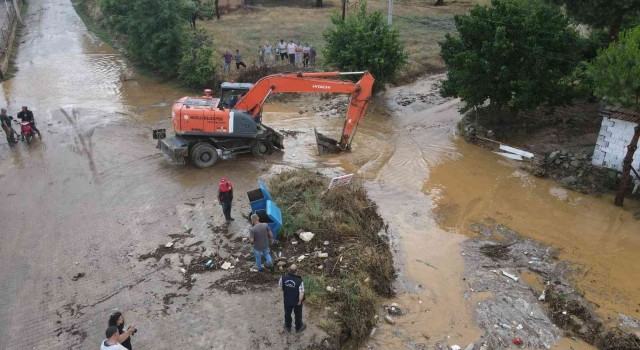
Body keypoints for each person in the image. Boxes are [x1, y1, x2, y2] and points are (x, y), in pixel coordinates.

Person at [278, 264, 306, 333]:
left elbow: (280, 287)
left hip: (287, 300)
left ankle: (287, 326)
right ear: (297, 271)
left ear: (289, 270)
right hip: (296, 302)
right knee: (298, 314)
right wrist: (300, 301)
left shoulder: (283, 277)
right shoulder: (299, 280)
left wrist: (287, 290)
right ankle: (299, 327)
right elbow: (301, 292)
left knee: (287, 313)